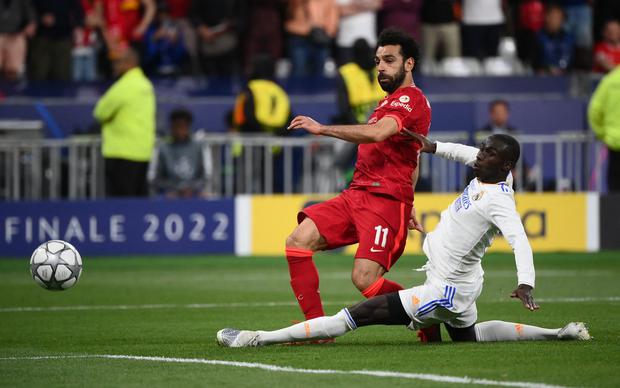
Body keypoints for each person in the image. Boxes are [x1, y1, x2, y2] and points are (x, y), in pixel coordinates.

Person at [216, 133, 592, 347]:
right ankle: (557, 334)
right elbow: (466, 154)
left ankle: (256, 338)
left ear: (506, 165)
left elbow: (520, 240)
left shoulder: (500, 201)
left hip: (443, 290)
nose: (480, 155)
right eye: (483, 149)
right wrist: (433, 147)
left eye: (490, 152)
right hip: (460, 286)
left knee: (351, 317)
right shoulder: (491, 176)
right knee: (469, 337)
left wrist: (526, 282)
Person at [281, 28, 431, 325]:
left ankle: (429, 317)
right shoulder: (386, 103)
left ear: (409, 64)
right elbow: (412, 156)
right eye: (378, 61)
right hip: (356, 194)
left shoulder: (410, 99)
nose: (381, 67)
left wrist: (323, 128)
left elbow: (376, 134)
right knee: (298, 240)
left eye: (389, 60)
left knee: (364, 279)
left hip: (385, 200)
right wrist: (412, 200)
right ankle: (317, 329)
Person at [93, 47, 156, 197]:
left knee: (120, 205)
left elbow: (100, 112)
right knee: (138, 202)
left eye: (117, 62)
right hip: (143, 152)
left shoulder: (125, 85)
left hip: (121, 153)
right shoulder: (146, 85)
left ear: (129, 63)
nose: (114, 66)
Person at [151, 109, 208, 198]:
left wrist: (192, 188)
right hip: (170, 194)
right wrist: (175, 188)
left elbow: (204, 177)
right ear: (171, 127)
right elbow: (157, 179)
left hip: (194, 193)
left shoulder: (198, 147)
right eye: (176, 126)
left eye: (182, 126)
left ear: (188, 127)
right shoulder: (163, 148)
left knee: (207, 196)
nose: (179, 130)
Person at [588, 65, 620, 192]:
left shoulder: (610, 80)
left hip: (614, 142)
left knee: (615, 190)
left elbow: (594, 110)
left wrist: (602, 133)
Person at [534, 4, 575, 75]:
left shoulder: (569, 38)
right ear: (547, 17)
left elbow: (573, 62)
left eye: (559, 18)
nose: (556, 21)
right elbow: (534, 62)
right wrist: (546, 69)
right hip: (543, 78)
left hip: (565, 78)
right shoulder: (538, 37)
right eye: (554, 17)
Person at [0, 0, 36, 81]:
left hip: (16, 36)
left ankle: (11, 91)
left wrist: (31, 24)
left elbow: (31, 17)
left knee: (13, 71)